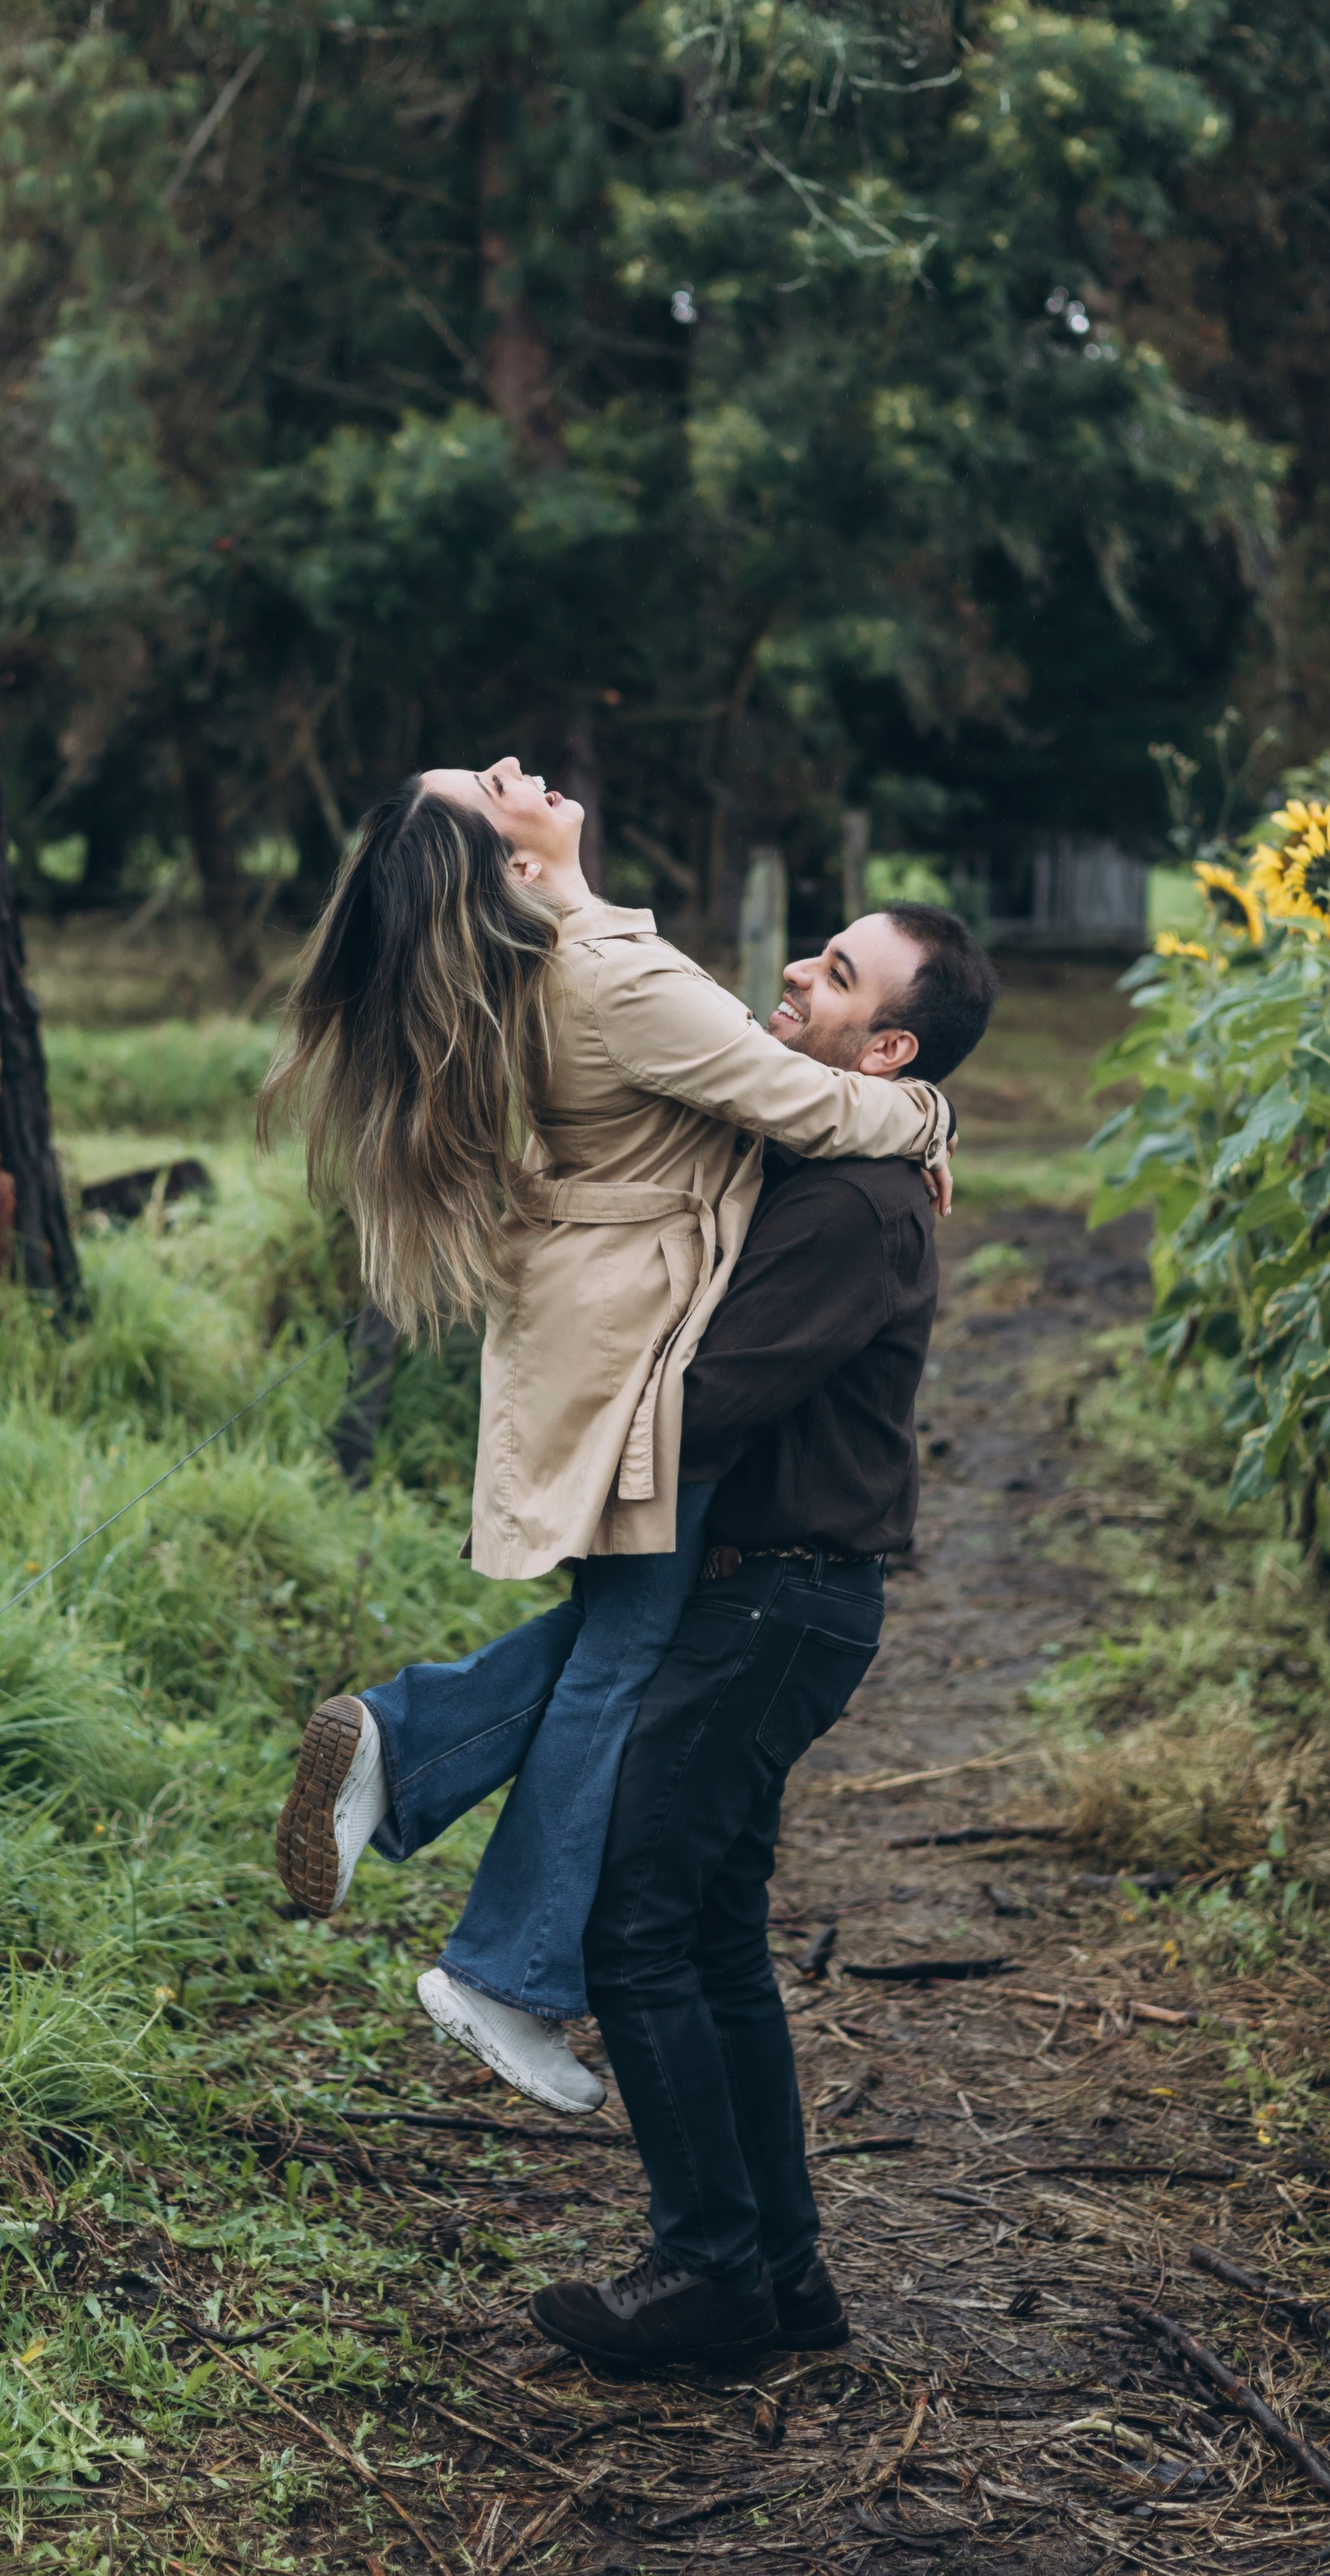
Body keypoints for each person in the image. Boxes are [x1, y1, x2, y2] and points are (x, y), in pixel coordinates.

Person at [264, 762, 955, 2110]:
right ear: (511, 867)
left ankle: (411, 1748)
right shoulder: (611, 980)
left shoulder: (574, 952)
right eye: (492, 784)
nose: (522, 767)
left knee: (622, 1632)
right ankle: (505, 1966)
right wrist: (927, 1113)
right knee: (628, 1649)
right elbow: (808, 1103)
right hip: (636, 1329)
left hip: (613, 1314)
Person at [527, 900, 999, 2367]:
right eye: (817, 951)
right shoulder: (846, 1163)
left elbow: (708, 1397)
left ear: (889, 1043)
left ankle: (708, 2271)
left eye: (839, 974)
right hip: (776, 1593)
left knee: (637, 1924)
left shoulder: (854, 1206)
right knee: (716, 1932)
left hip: (773, 1599)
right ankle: (783, 2276)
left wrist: (567, 1397)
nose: (801, 971)